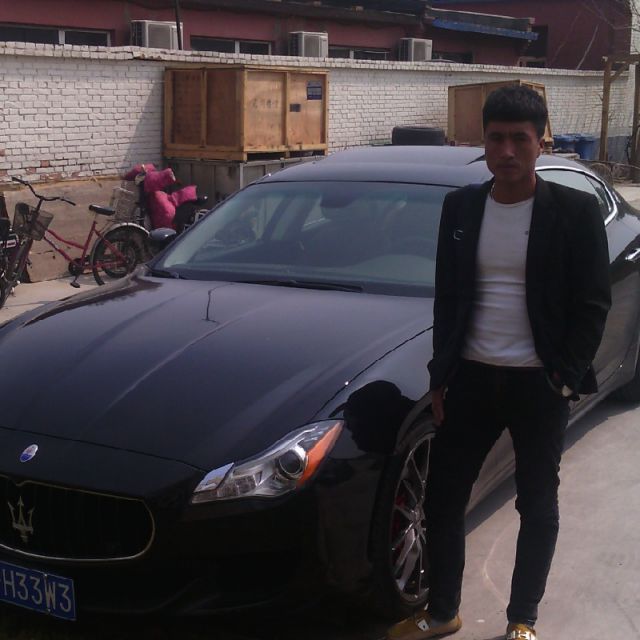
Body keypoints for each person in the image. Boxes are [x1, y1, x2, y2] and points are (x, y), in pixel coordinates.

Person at [387, 85, 611, 640]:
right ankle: (443, 611)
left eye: (519, 139)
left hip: (539, 384)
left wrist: (564, 378)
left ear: (541, 142)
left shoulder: (574, 211)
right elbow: (448, 297)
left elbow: (592, 304)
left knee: (536, 504)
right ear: (482, 142)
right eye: (496, 139)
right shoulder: (461, 207)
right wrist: (441, 376)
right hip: (471, 379)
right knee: (443, 501)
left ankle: (522, 620)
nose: (507, 151)